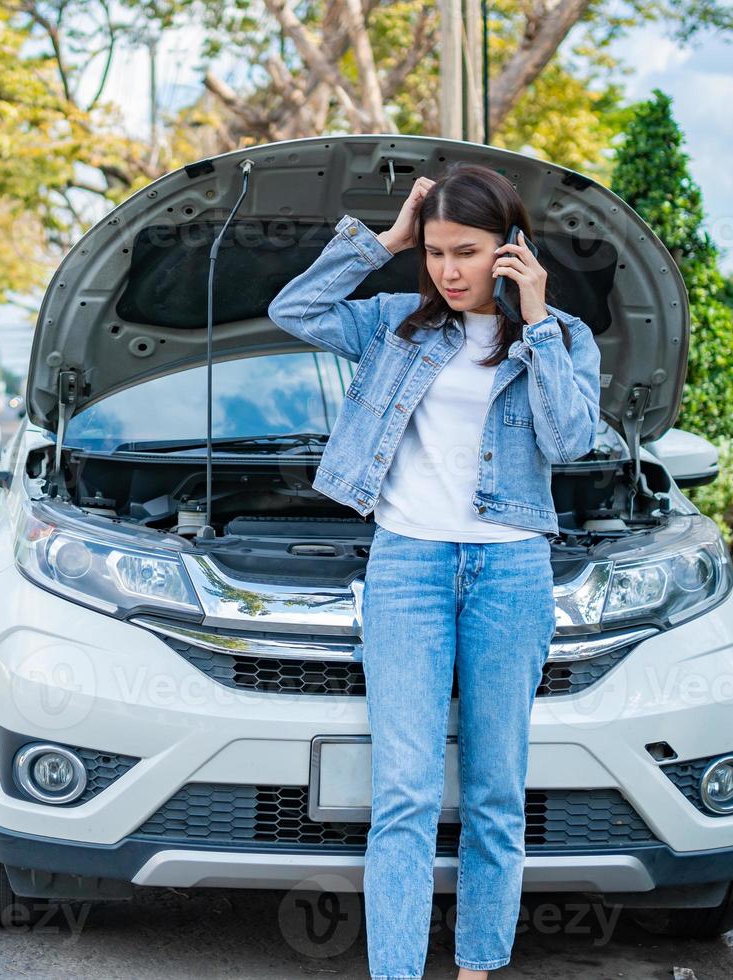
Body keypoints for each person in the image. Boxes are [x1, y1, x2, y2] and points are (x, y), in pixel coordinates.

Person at [267, 163, 604, 979]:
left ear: (512, 249)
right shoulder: (392, 324)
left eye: (470, 251)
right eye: (437, 252)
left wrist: (539, 320)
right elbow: (294, 309)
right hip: (408, 568)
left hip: (510, 574)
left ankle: (478, 968)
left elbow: (570, 443)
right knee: (407, 797)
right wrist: (381, 240)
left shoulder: (562, 339)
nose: (450, 271)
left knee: (494, 797)